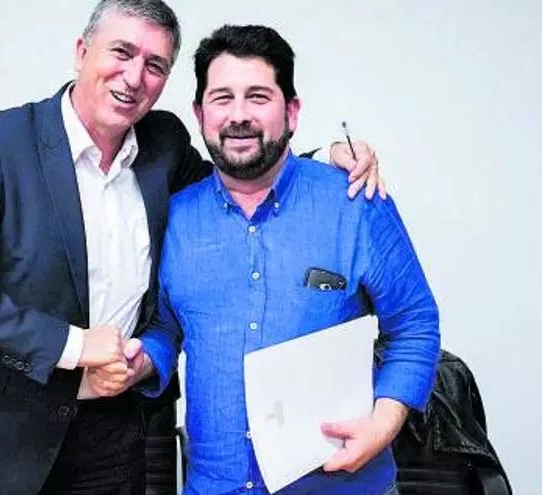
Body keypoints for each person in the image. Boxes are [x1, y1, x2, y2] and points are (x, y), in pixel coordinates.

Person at [0, 1, 383, 493]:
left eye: (155, 65)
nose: (134, 77)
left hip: (113, 440)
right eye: (121, 52)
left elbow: (234, 186)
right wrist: (73, 345)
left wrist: (323, 161)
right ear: (82, 52)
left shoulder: (163, 144)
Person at [89, 24, 440, 495]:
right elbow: (167, 328)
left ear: (291, 111)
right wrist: (142, 362)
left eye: (257, 97)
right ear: (200, 114)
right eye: (222, 98)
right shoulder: (174, 216)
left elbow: (415, 323)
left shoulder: (355, 202)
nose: (238, 115)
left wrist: (384, 423)